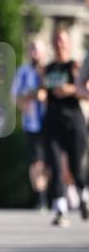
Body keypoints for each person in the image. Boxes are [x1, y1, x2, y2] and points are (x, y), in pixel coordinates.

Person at [40, 27, 88, 226]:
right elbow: (42, 93)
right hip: (52, 122)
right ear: (53, 44)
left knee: (76, 168)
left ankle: (84, 197)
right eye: (56, 40)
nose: (59, 44)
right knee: (55, 166)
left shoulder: (74, 66)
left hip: (73, 121)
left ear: (68, 43)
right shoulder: (47, 68)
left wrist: (68, 89)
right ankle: (60, 209)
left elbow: (85, 91)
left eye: (62, 40)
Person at [11, 40, 48, 209]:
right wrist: (27, 99)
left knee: (51, 161)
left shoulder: (49, 69)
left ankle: (53, 192)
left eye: (38, 50)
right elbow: (15, 96)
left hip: (52, 123)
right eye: (32, 49)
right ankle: (40, 196)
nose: (35, 54)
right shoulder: (23, 72)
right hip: (32, 123)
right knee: (37, 161)